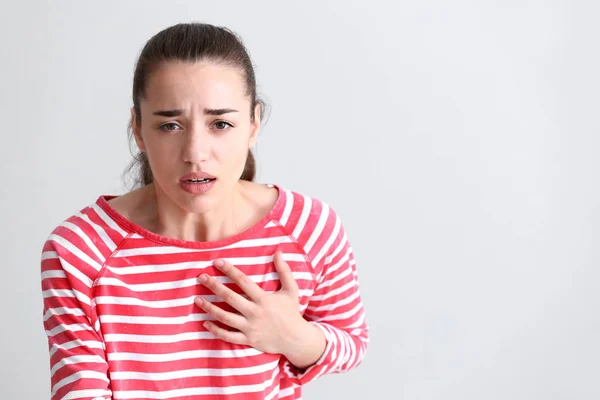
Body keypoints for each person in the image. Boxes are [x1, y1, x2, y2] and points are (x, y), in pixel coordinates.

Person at [41, 22, 369, 400]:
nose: (195, 152)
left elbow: (352, 344)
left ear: (253, 124)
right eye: (169, 125)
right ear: (138, 129)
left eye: (221, 124)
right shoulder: (80, 251)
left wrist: (293, 337)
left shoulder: (309, 228)